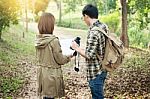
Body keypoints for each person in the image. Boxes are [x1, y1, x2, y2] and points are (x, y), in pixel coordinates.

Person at [71, 4, 108, 99]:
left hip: (95, 72)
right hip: (103, 68)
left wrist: (76, 48)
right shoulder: (103, 26)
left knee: (97, 96)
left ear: (86, 16)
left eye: (83, 17)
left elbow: (89, 55)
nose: (83, 20)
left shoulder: (93, 33)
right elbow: (97, 50)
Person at [35, 12, 72, 99]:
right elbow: (60, 59)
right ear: (50, 25)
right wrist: (69, 56)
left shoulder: (39, 39)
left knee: (45, 97)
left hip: (42, 74)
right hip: (51, 75)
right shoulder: (53, 41)